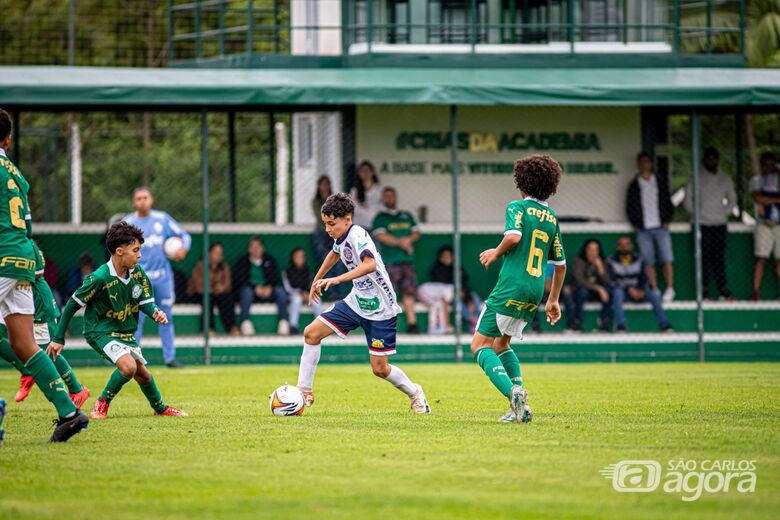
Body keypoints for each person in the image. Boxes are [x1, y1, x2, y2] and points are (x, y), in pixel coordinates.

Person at [295, 192, 431, 413]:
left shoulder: (358, 235)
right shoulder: (341, 237)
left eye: (332, 224)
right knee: (311, 333)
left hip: (380, 308)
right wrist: (316, 280)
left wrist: (336, 279)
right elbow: (335, 253)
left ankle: (415, 393)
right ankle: (303, 391)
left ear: (347, 220)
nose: (328, 229)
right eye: (325, 224)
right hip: (357, 301)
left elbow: (370, 265)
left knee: (380, 369)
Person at [0, 107, 88, 442]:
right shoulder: (15, 173)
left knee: (22, 343)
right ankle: (69, 412)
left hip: (1, 256)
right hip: (23, 257)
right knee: (23, 343)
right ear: (7, 138)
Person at [47, 222, 187, 420]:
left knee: (143, 374)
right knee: (128, 367)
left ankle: (160, 407)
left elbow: (145, 302)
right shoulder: (99, 278)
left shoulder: (138, 273)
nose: (139, 255)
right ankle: (102, 402)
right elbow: (72, 304)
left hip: (125, 332)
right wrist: (58, 337)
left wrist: (155, 312)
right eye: (135, 250)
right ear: (120, 251)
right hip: (100, 331)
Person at [471, 154, 567, 423]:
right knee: (502, 343)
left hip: (511, 286)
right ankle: (519, 405)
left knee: (479, 345)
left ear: (521, 183)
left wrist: (495, 253)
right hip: (535, 291)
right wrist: (553, 300)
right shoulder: (551, 218)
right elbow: (560, 265)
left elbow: (513, 236)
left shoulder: (518, 207)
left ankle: (513, 392)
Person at [0, 243, 90, 407]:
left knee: (47, 350)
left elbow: (37, 273)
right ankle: (26, 372)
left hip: (36, 301)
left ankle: (77, 389)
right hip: (10, 296)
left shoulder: (25, 244)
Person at [124, 186, 191, 368]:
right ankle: (133, 359)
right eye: (139, 198)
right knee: (136, 319)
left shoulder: (162, 219)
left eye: (145, 197)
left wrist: (182, 248)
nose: (142, 201)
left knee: (166, 317)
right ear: (134, 202)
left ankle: (170, 358)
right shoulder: (128, 223)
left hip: (162, 278)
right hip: (138, 279)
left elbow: (184, 235)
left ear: (151, 199)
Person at [683, 147, 736, 300]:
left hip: (719, 224)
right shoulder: (696, 178)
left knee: (718, 258)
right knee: (703, 258)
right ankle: (703, 290)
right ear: (704, 160)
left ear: (718, 160)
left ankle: (723, 288)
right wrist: (699, 214)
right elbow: (687, 200)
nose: (711, 161)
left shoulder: (725, 179)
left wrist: (722, 212)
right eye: (709, 158)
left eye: (714, 158)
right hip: (702, 225)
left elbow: (732, 200)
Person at [626, 151, 676, 302]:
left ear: (651, 164)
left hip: (661, 227)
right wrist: (635, 223)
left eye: (647, 162)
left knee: (666, 258)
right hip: (643, 229)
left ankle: (670, 288)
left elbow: (668, 201)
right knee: (648, 261)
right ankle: (654, 288)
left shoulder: (659, 182)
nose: (644, 165)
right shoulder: (634, 185)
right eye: (641, 162)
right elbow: (629, 206)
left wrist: (667, 219)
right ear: (638, 164)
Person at [372, 187, 421, 333]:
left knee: (409, 292)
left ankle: (412, 324)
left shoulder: (406, 215)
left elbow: (416, 232)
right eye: (386, 196)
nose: (390, 199)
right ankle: (386, 324)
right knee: (388, 293)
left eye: (392, 196)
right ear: (382, 199)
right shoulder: (380, 217)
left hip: (407, 261)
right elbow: (381, 236)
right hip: (390, 261)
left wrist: (407, 240)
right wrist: (403, 243)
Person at [606, 236, 672, 332]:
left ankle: (665, 326)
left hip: (639, 291)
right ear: (617, 247)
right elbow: (611, 281)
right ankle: (621, 326)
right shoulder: (610, 261)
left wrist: (642, 290)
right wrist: (628, 289)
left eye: (627, 244)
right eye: (621, 245)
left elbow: (644, 278)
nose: (624, 247)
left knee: (654, 294)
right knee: (617, 293)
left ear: (631, 246)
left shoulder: (639, 259)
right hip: (623, 293)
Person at [233, 236, 290, 335]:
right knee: (246, 292)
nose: (256, 249)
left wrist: (269, 287)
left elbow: (275, 278)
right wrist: (254, 288)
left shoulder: (269, 260)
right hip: (251, 291)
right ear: (249, 249)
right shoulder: (242, 261)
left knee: (280, 291)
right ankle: (245, 322)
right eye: (253, 247)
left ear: (262, 248)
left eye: (258, 246)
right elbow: (239, 279)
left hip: (267, 291)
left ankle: (283, 322)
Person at [188, 243, 239, 335]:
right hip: (200, 294)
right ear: (209, 254)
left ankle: (231, 327)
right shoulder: (200, 266)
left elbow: (228, 284)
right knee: (208, 300)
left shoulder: (224, 267)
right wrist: (213, 288)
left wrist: (222, 288)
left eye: (220, 253)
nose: (219, 255)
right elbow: (198, 286)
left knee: (227, 298)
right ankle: (208, 328)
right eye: (216, 252)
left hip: (219, 293)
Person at [749, 151, 780, 301]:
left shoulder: (777, 177)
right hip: (763, 223)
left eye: (771, 165)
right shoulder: (756, 180)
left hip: (778, 224)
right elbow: (758, 198)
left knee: (779, 259)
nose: (768, 168)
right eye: (765, 165)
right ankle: (756, 291)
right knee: (761, 257)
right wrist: (775, 200)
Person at [311, 175, 347, 298]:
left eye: (327, 184)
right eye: (322, 184)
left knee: (339, 262)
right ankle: (331, 293)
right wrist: (331, 223)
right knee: (326, 261)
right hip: (322, 233)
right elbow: (322, 219)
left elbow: (340, 216)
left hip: (334, 233)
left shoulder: (335, 201)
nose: (325, 187)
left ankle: (341, 294)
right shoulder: (316, 202)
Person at [417, 245, 462, 334]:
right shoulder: (438, 270)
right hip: (425, 292)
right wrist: (448, 324)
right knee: (439, 303)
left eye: (448, 256)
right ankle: (444, 326)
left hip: (435, 295)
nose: (446, 259)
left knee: (436, 304)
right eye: (444, 256)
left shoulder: (456, 270)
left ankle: (434, 328)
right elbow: (445, 301)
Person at [569, 239, 611, 332]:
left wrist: (600, 269)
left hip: (596, 293)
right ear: (585, 250)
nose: (593, 252)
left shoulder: (602, 262)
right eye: (590, 249)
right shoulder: (579, 261)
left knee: (608, 290)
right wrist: (598, 288)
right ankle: (577, 322)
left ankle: (604, 322)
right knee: (582, 291)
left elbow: (607, 282)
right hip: (581, 291)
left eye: (595, 250)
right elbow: (579, 281)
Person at [282, 247, 322, 335]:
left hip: (306, 294)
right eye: (297, 256)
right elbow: (288, 288)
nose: (300, 259)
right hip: (292, 295)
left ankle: (321, 325)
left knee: (316, 299)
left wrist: (308, 293)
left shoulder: (307, 270)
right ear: (293, 257)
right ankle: (293, 326)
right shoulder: (287, 271)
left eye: (302, 256)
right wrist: (301, 293)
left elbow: (311, 284)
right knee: (297, 299)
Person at [349, 160, 383, 229]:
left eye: (367, 170)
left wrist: (365, 206)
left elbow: (382, 209)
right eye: (362, 171)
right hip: (359, 227)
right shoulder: (354, 191)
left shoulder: (380, 190)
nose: (365, 173)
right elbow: (355, 210)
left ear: (372, 172)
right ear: (359, 174)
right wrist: (372, 208)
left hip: (375, 227)